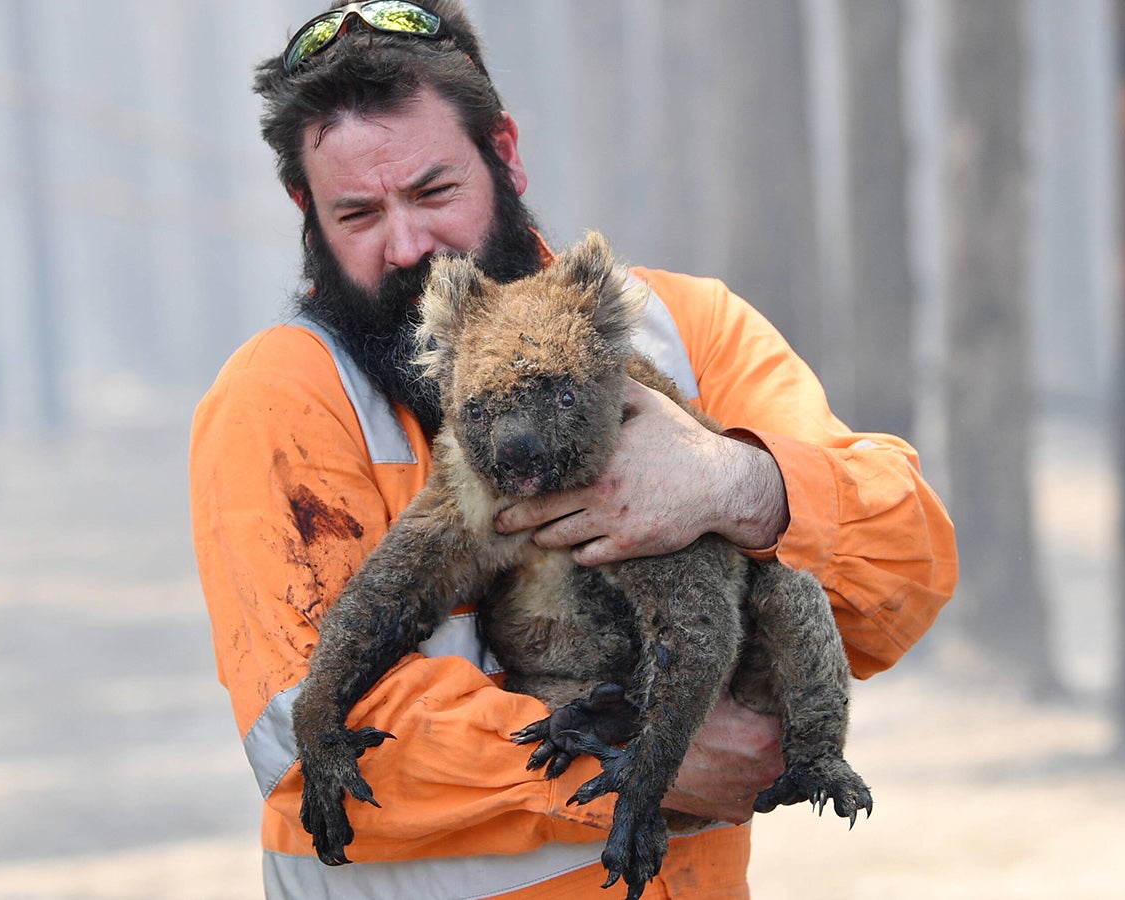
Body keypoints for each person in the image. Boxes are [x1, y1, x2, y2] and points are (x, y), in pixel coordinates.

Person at [190, 2, 957, 896]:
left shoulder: (681, 330)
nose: (411, 248)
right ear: (305, 212)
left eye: (436, 193)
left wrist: (739, 484)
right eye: (357, 213)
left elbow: (905, 571)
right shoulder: (280, 398)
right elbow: (300, 726)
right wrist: (629, 760)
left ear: (504, 154)